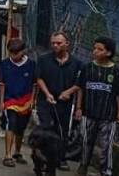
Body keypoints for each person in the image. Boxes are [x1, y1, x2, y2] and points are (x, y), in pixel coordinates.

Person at [75, 36, 119, 176]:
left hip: (108, 115)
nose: (95, 51)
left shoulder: (116, 72)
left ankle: (106, 171)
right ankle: (83, 165)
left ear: (108, 53)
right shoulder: (87, 68)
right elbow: (80, 88)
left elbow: (118, 94)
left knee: (106, 146)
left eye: (99, 49)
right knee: (85, 141)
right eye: (95, 48)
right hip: (88, 112)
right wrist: (79, 108)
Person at [36, 30, 84, 170]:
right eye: (53, 43)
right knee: (47, 127)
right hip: (46, 100)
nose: (55, 45)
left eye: (58, 43)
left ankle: (61, 158)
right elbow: (39, 78)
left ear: (67, 44)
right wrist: (47, 93)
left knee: (62, 130)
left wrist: (70, 93)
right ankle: (44, 158)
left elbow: (80, 85)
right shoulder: (44, 59)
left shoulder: (77, 64)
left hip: (65, 102)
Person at [0, 38, 36, 167]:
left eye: (16, 53)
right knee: (11, 124)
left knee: (21, 128)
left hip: (25, 100)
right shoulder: (4, 64)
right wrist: (2, 102)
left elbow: (35, 84)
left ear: (23, 52)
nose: (14, 56)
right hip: (10, 100)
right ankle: (7, 155)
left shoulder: (31, 65)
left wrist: (32, 100)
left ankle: (17, 152)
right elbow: (2, 84)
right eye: (11, 53)